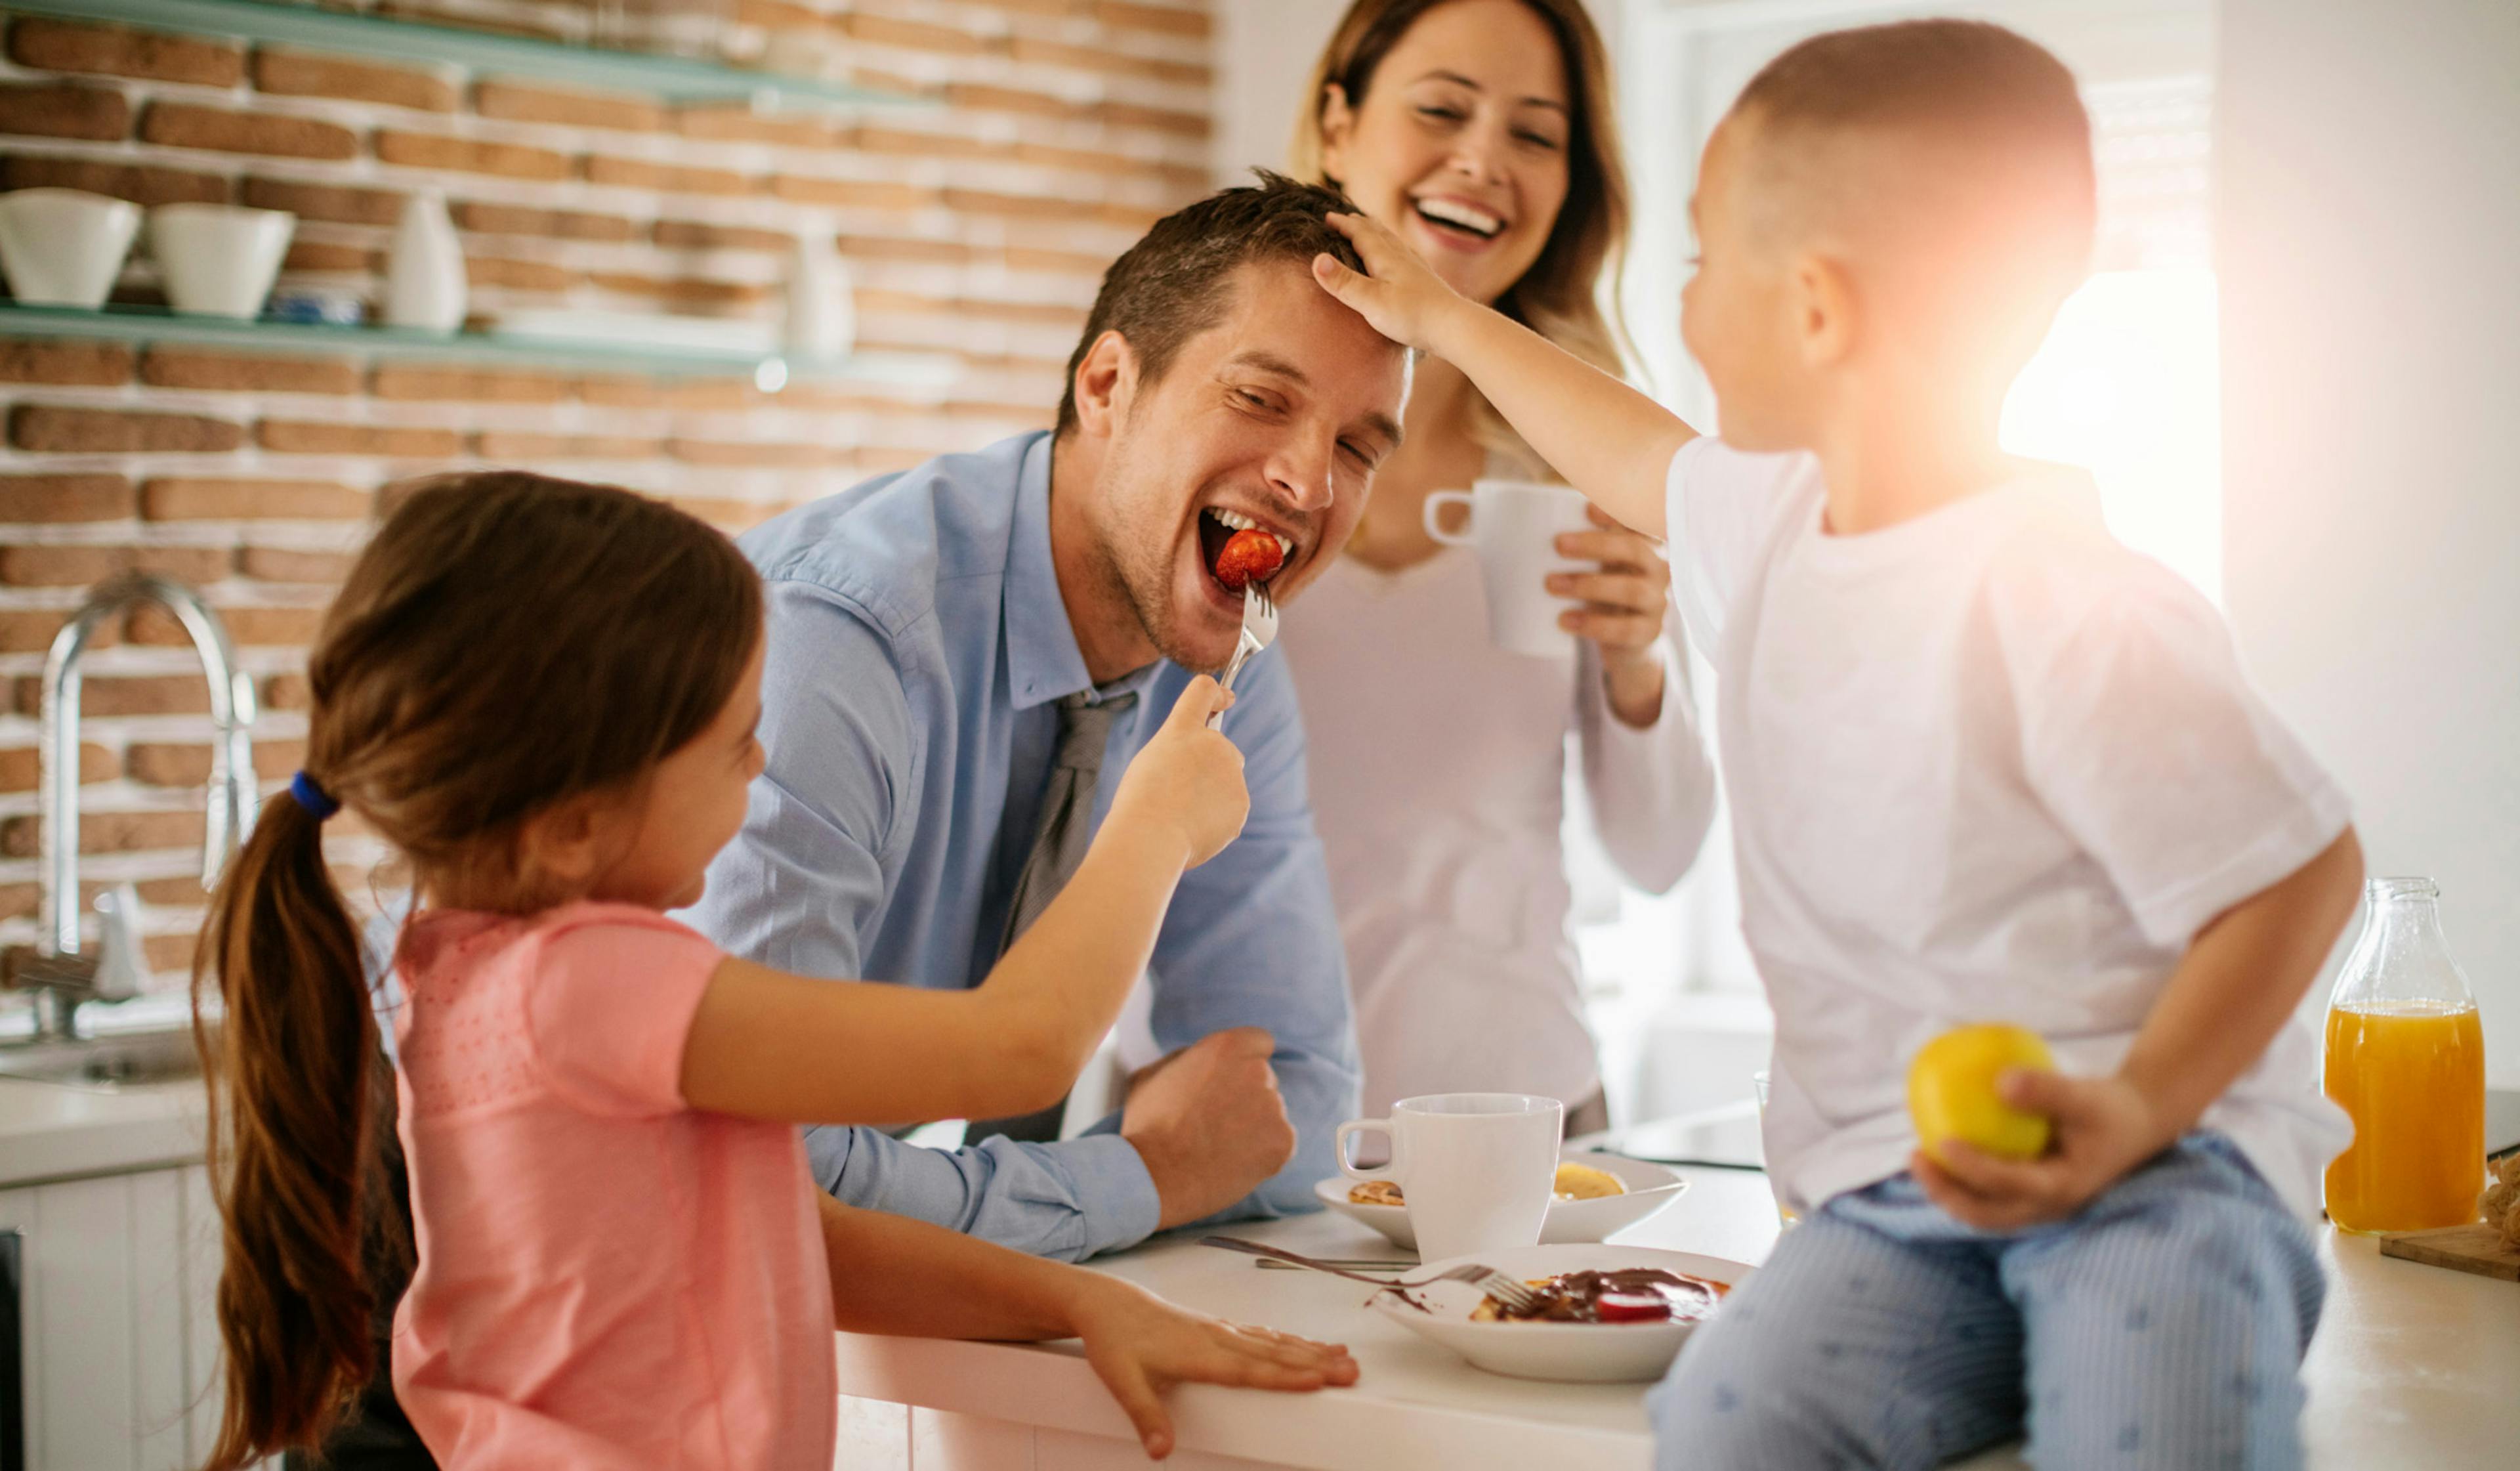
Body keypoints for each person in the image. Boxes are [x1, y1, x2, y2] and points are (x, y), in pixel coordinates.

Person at [1311, 19, 2362, 1469]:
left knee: (2150, 1423)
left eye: (1696, 264)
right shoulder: (1774, 527)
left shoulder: (2066, 597)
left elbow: (2298, 872)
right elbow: (1608, 434)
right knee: (1732, 1419)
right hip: (1892, 1200)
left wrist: (2137, 1107)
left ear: (1812, 310)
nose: (1677, 310)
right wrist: (1436, 318)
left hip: (2159, 1183)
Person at [193, 472, 1358, 1471]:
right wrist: (1151, 823)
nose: (762, 760)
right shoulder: (598, 983)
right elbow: (1025, 1040)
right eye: (733, 737)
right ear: (572, 823)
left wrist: (1082, 1301)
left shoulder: (461, 976)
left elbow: (787, 1225)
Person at [681, 176, 1406, 1258]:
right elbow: (767, 1170)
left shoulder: (1229, 667)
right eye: (1261, 398)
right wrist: (1138, 1176)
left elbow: (1285, 1099)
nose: (1309, 480)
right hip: (431, 1253)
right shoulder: (833, 640)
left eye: (1357, 447)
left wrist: (1145, 1172)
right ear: (1108, 385)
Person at [1278, 0, 1715, 1127]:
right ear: (1338, 125)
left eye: (1535, 133)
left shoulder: (1581, 464)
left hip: (1531, 1123)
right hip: (1240, 1130)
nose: (1483, 159)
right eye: (1439, 108)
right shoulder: (1223, 440)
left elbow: (1662, 855)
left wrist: (1637, 661)